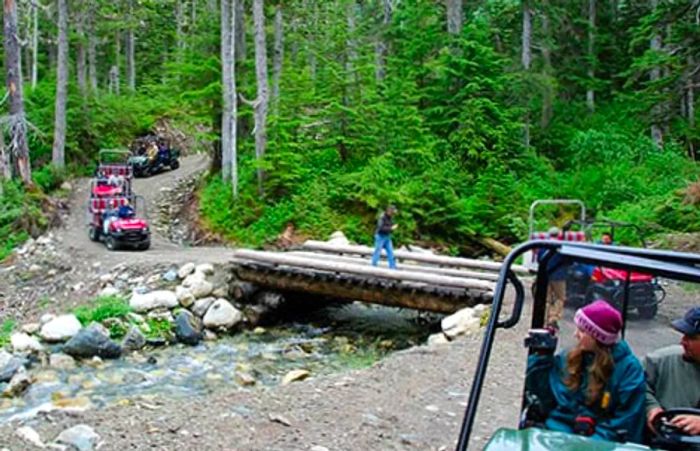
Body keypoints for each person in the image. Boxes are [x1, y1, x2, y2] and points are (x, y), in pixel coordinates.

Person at [525, 300, 646, 443]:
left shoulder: (628, 370)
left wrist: (583, 445)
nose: (575, 335)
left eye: (582, 331)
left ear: (597, 337)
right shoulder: (570, 357)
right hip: (558, 435)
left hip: (601, 442)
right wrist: (542, 359)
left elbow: (626, 423)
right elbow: (549, 401)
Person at [643, 306, 700, 436]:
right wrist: (651, 408)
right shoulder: (661, 361)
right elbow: (637, 384)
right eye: (683, 335)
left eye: (691, 337)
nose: (683, 342)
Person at [537, 226, 568, 330]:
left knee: (547, 299)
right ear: (558, 234)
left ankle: (544, 320)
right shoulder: (561, 246)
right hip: (559, 276)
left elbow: (539, 260)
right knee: (560, 298)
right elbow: (566, 260)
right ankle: (553, 319)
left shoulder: (543, 245)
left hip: (545, 275)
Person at [371, 205, 398, 269]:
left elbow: (390, 225)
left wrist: (392, 227)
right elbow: (381, 228)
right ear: (389, 211)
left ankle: (392, 267)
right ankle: (373, 266)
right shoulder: (382, 217)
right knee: (377, 251)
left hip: (387, 237)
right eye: (393, 212)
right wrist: (391, 228)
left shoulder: (390, 217)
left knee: (391, 252)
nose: (393, 214)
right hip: (380, 236)